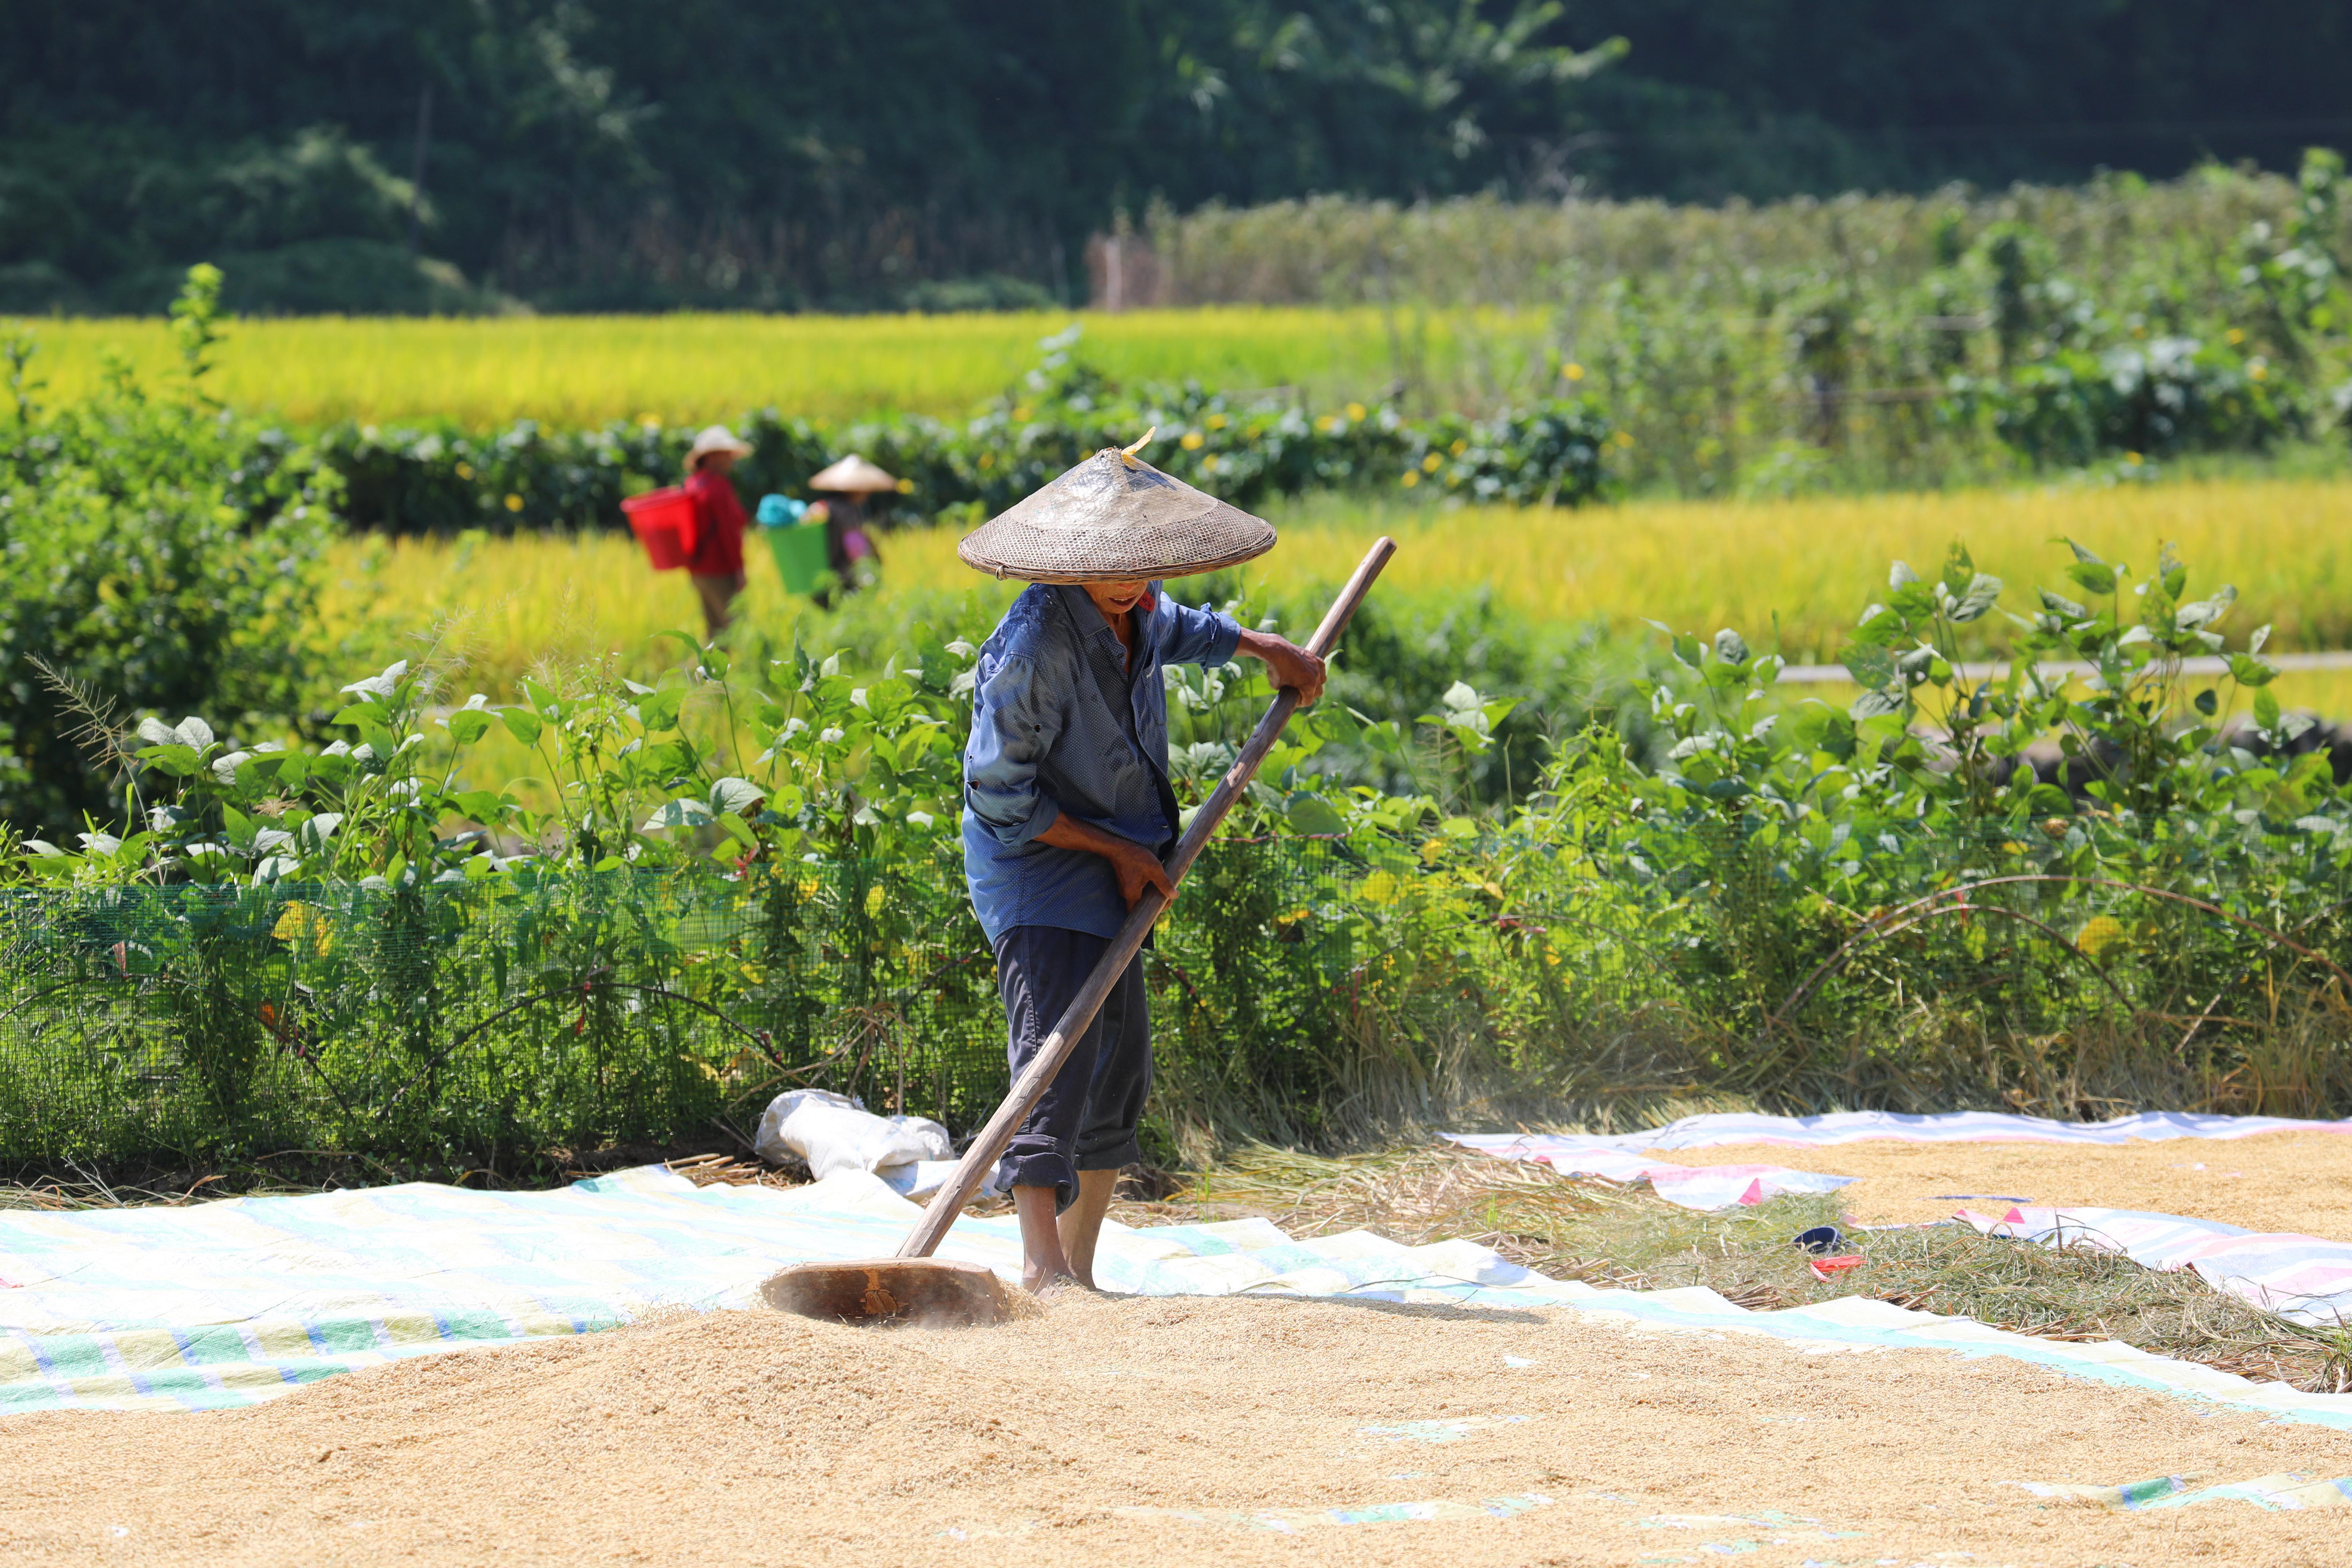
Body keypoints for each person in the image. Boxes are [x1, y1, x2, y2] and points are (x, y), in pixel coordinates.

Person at [956, 438, 1326, 1293]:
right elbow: (999, 797)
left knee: (1120, 1062)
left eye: (1142, 566)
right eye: (1110, 571)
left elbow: (1182, 630)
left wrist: (1269, 648)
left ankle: (1080, 1273)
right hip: (1035, 861)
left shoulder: (1139, 607)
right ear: (1072, 562)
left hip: (1118, 847)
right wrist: (1119, 850)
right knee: (1057, 1048)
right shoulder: (1035, 647)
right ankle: (1040, 1271)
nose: (1128, 584)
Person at [682, 426, 754, 636]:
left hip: (698, 570)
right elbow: (729, 533)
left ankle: (712, 670)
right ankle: (748, 669)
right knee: (738, 631)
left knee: (715, 632)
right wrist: (739, 570)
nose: (732, 457)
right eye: (727, 453)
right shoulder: (718, 487)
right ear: (712, 457)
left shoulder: (693, 483)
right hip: (720, 570)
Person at [805, 454, 898, 605]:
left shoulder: (824, 506)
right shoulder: (846, 511)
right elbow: (855, 545)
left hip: (818, 578)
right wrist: (867, 574)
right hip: (842, 578)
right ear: (855, 489)